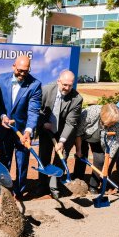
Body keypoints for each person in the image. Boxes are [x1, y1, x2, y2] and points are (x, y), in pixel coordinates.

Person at [0, 55, 43, 198]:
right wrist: (2, 116)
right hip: (5, 129)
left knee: (22, 163)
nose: (22, 74)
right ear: (13, 66)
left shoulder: (35, 85)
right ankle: (3, 192)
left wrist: (28, 131)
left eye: (25, 71)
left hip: (23, 132)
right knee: (4, 161)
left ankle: (19, 192)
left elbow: (33, 111)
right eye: (19, 70)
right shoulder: (2, 79)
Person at [37, 70, 83, 199]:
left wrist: (62, 141)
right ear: (59, 81)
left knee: (60, 160)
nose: (67, 88)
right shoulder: (46, 90)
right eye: (64, 85)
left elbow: (71, 122)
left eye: (70, 85)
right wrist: (43, 122)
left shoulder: (77, 99)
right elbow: (36, 110)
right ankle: (42, 186)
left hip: (64, 133)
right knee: (44, 158)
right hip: (46, 130)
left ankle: (54, 187)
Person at [73, 104, 119, 193]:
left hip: (100, 140)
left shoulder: (118, 123)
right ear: (102, 116)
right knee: (81, 157)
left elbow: (114, 146)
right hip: (82, 136)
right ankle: (77, 182)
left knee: (100, 160)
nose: (112, 124)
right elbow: (78, 132)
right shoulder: (90, 113)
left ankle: (93, 186)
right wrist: (78, 150)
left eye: (113, 123)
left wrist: (106, 167)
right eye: (110, 122)